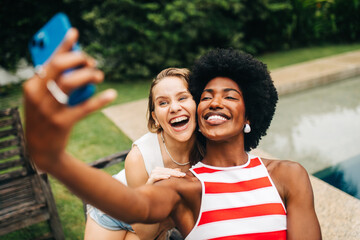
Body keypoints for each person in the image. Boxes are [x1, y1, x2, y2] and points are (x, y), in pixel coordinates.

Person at [24, 28, 321, 240]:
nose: (215, 102)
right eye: (206, 96)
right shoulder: (184, 187)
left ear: (250, 114)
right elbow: (134, 205)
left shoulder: (289, 175)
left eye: (229, 96)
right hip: (116, 215)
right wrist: (54, 159)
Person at [85, 67, 202, 240]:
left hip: (156, 222)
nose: (174, 108)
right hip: (113, 211)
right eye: (163, 103)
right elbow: (145, 233)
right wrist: (149, 193)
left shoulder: (210, 147)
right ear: (155, 117)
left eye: (183, 97)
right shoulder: (139, 157)